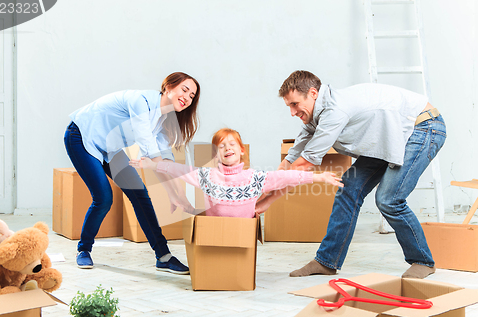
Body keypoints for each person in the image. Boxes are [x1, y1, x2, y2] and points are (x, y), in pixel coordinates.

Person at [256, 70, 446, 279]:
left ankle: (422, 261)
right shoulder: (313, 116)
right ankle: (327, 261)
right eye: (289, 106)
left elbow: (303, 166)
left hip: (423, 128)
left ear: (312, 93)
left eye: (294, 104)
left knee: (389, 199)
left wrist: (267, 203)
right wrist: (258, 193)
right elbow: (290, 160)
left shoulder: (334, 111)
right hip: (390, 136)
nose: (292, 112)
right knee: (348, 188)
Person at [64, 72, 200, 273]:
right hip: (82, 137)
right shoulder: (141, 102)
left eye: (192, 96)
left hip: (109, 149)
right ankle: (83, 250)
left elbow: (164, 161)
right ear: (169, 87)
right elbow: (152, 155)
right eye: (184, 90)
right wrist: (175, 194)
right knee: (103, 198)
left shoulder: (163, 120)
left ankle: (163, 256)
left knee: (140, 194)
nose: (187, 98)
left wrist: (175, 194)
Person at [130, 128, 343, 218]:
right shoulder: (207, 176)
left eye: (232, 144)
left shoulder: (254, 178)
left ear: (241, 151)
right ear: (216, 155)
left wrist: (320, 177)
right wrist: (152, 165)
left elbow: (288, 177)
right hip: (215, 232)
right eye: (221, 147)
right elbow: (179, 170)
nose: (227, 148)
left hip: (242, 233)